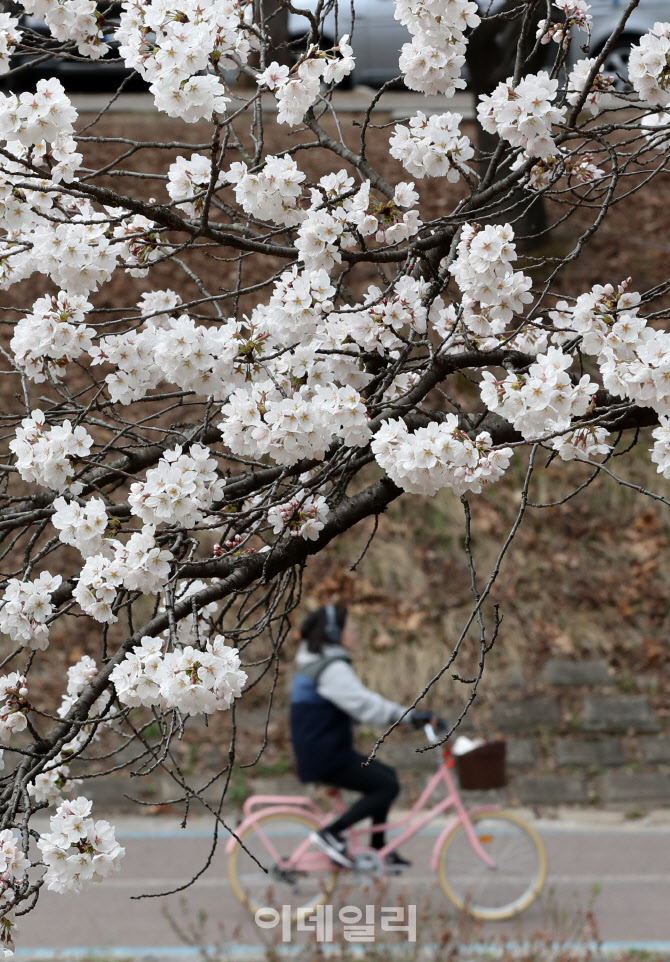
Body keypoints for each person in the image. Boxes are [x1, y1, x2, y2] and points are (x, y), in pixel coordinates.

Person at [290, 603, 435, 871]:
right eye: (351, 628)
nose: (355, 632)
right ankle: (331, 833)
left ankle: (379, 849)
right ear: (334, 632)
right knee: (385, 786)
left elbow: (350, 707)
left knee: (388, 777)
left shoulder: (320, 665)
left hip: (326, 751)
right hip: (326, 756)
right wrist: (410, 717)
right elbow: (365, 705)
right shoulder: (330, 669)